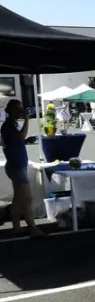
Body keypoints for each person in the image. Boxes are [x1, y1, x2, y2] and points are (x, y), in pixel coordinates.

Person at [0, 99, 44, 237]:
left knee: (19, 199)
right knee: (27, 198)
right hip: (16, 166)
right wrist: (26, 119)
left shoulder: (11, 124)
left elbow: (19, 139)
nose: (20, 111)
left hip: (16, 165)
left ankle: (16, 226)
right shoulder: (8, 125)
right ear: (11, 110)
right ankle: (33, 228)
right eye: (18, 108)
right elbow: (21, 136)